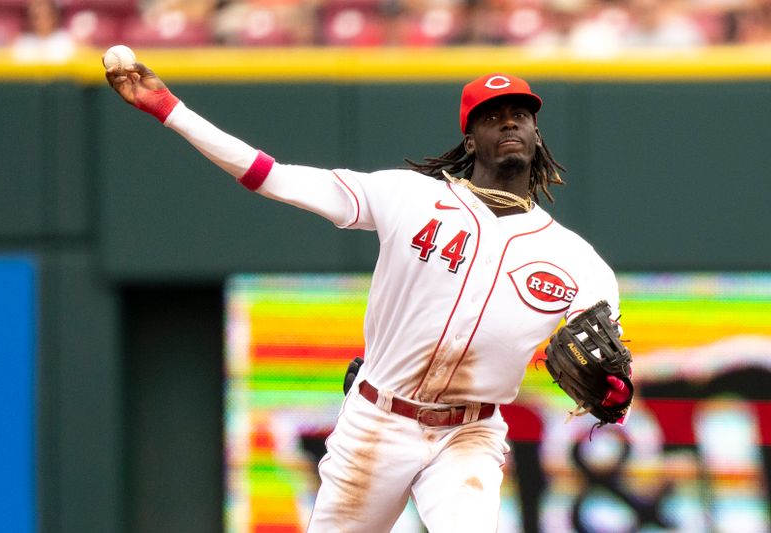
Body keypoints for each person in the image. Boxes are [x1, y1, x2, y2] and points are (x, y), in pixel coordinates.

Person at [105, 63, 632, 532]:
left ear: (538, 135)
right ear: (471, 139)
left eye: (521, 114)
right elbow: (272, 177)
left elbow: (611, 362)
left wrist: (614, 391)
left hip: (470, 434)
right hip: (379, 421)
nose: (511, 123)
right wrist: (169, 109)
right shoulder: (409, 196)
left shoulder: (576, 259)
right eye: (494, 116)